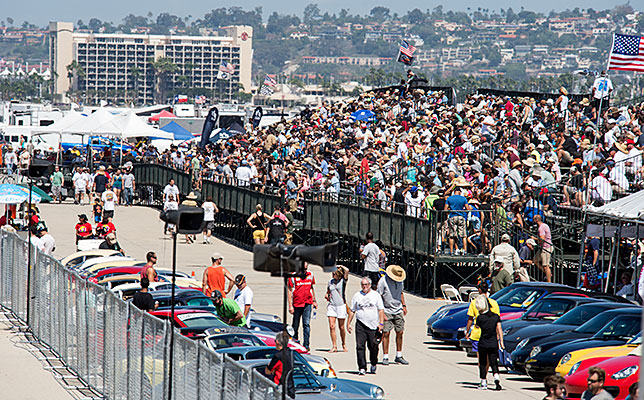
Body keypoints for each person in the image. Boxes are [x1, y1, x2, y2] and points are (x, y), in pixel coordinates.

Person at [347, 277, 385, 375]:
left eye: (366, 285)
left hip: (373, 325)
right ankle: (362, 367)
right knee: (360, 346)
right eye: (363, 285)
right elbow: (352, 310)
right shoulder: (357, 295)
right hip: (360, 324)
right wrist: (348, 323)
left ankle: (373, 363)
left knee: (373, 347)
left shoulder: (375, 295)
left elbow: (381, 310)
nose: (364, 287)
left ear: (370, 285)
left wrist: (381, 323)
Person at [377, 265, 409, 365]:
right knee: (386, 333)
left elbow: (401, 293)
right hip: (386, 309)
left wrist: (404, 305)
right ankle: (385, 356)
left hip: (398, 309)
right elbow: (379, 296)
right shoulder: (383, 281)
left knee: (400, 332)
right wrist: (381, 312)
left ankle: (399, 355)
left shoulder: (400, 281)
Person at [474, 294, 503, 391]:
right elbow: (499, 329)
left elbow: (477, 326)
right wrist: (501, 342)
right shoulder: (495, 317)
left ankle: (483, 382)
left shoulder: (480, 318)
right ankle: (496, 377)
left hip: (483, 342)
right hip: (493, 342)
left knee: (483, 362)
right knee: (494, 362)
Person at [287, 262, 317, 352]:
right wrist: (290, 305)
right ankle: (295, 343)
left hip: (307, 303)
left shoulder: (310, 275)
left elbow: (311, 287)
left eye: (306, 269)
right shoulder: (293, 276)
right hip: (297, 304)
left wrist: (314, 301)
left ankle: (306, 345)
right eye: (303, 269)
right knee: (295, 325)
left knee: (306, 324)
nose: (304, 271)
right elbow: (289, 290)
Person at [325, 265, 349, 353]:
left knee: (341, 327)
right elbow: (328, 291)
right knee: (332, 326)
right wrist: (327, 295)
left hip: (341, 306)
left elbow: (347, 270)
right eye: (332, 273)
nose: (333, 275)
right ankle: (334, 346)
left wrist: (340, 266)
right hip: (332, 306)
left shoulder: (343, 281)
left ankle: (343, 343)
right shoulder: (330, 282)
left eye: (334, 273)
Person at [265, 331, 295, 399]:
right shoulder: (291, 353)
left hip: (280, 387)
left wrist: (270, 367)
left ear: (278, 342)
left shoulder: (278, 356)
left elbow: (268, 371)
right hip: (290, 387)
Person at [446, 186, 471, 255]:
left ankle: (451, 251)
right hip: (461, 216)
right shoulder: (463, 198)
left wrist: (450, 210)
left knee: (452, 235)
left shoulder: (449, 198)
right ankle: (465, 250)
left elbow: (445, 209)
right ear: (459, 192)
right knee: (463, 235)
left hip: (452, 216)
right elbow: (468, 209)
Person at [534, 215, 553, 282]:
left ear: (536, 220)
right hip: (543, 247)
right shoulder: (545, 225)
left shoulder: (541, 228)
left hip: (546, 247)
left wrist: (534, 239)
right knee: (535, 260)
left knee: (546, 265)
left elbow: (542, 238)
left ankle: (549, 281)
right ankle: (548, 274)